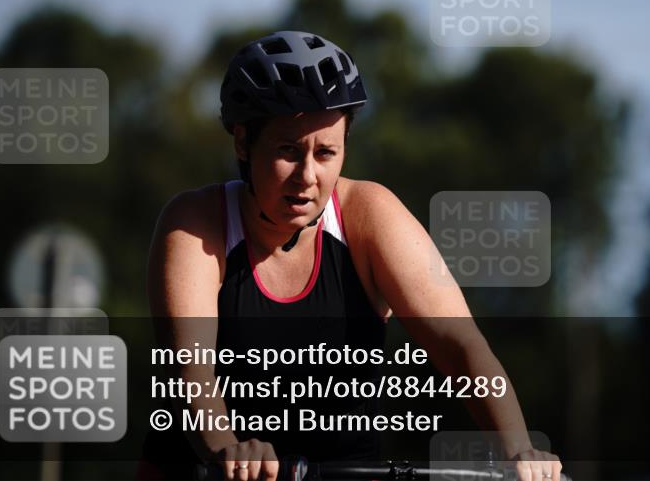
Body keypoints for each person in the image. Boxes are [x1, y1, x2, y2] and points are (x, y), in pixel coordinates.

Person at [139, 31, 561, 481]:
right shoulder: (195, 223)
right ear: (243, 143)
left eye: (325, 153)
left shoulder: (368, 215)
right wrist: (227, 448)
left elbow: (460, 347)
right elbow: (190, 368)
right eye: (286, 151)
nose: (307, 176)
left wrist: (518, 449)